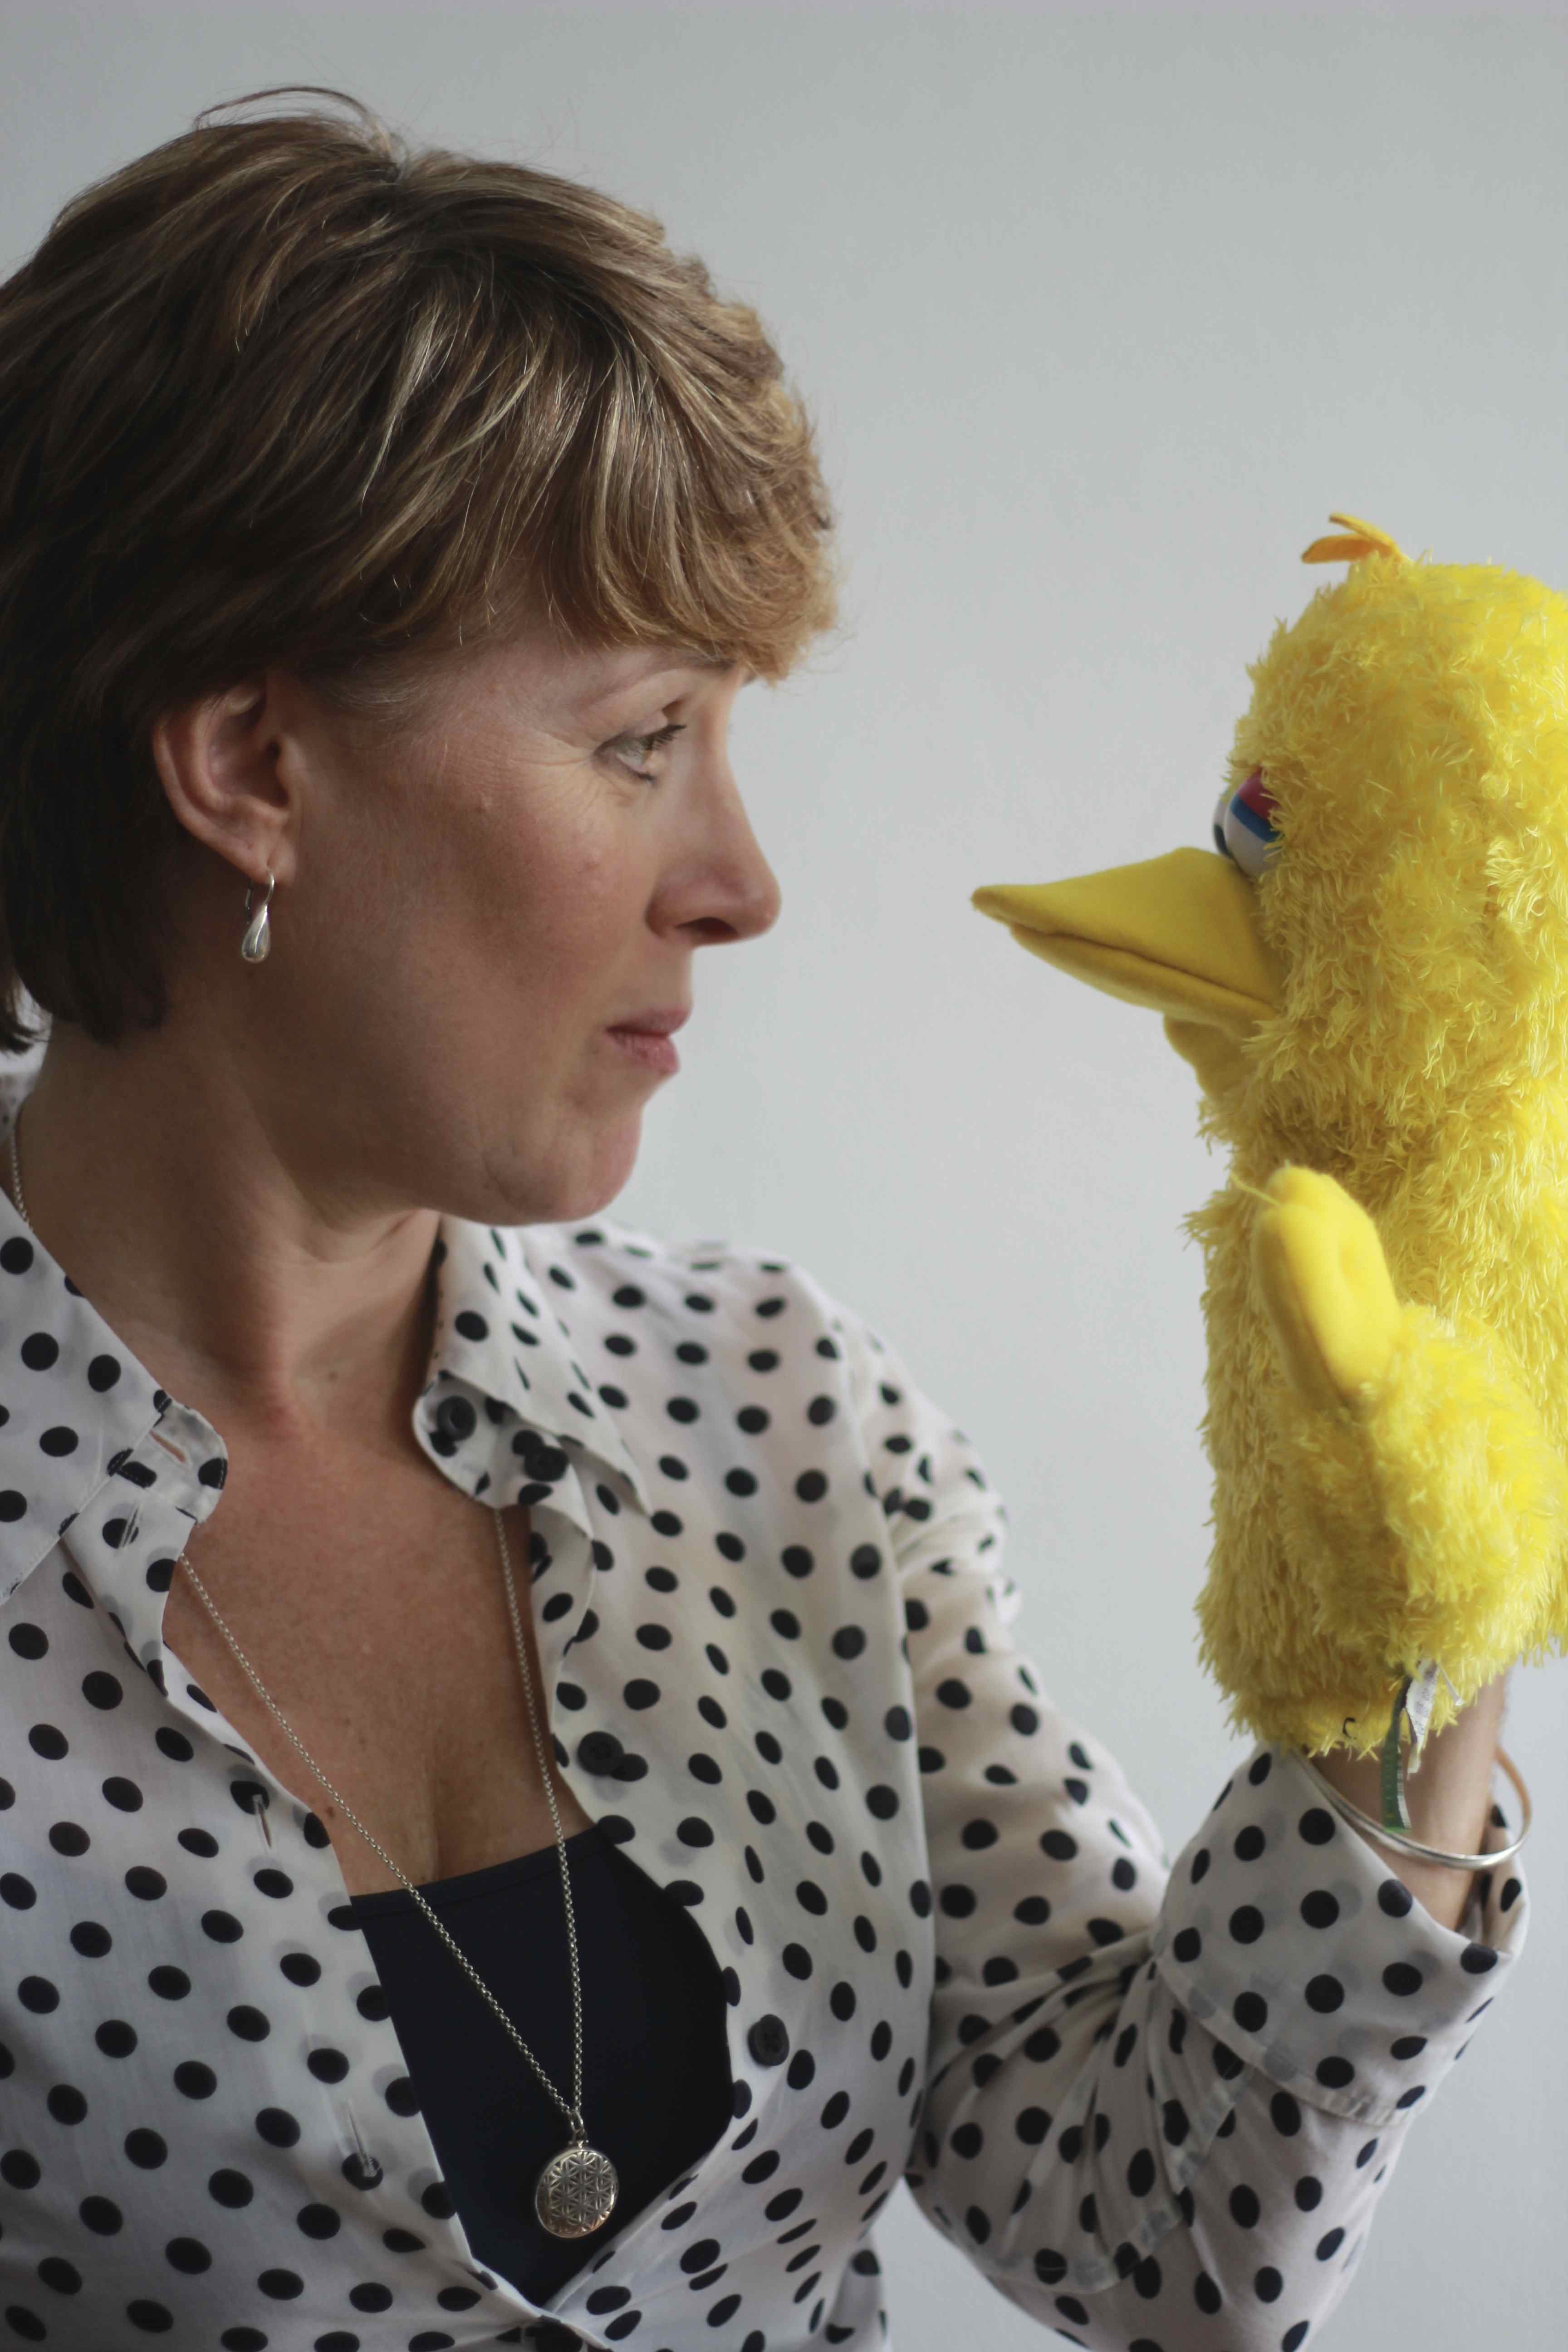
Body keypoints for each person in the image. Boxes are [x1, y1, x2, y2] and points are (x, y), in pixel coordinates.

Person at [0, 87, 1530, 2352]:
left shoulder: (777, 1415)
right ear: (249, 765)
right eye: (642, 739)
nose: (741, 881)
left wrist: (1437, 1586)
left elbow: (1165, 2239)